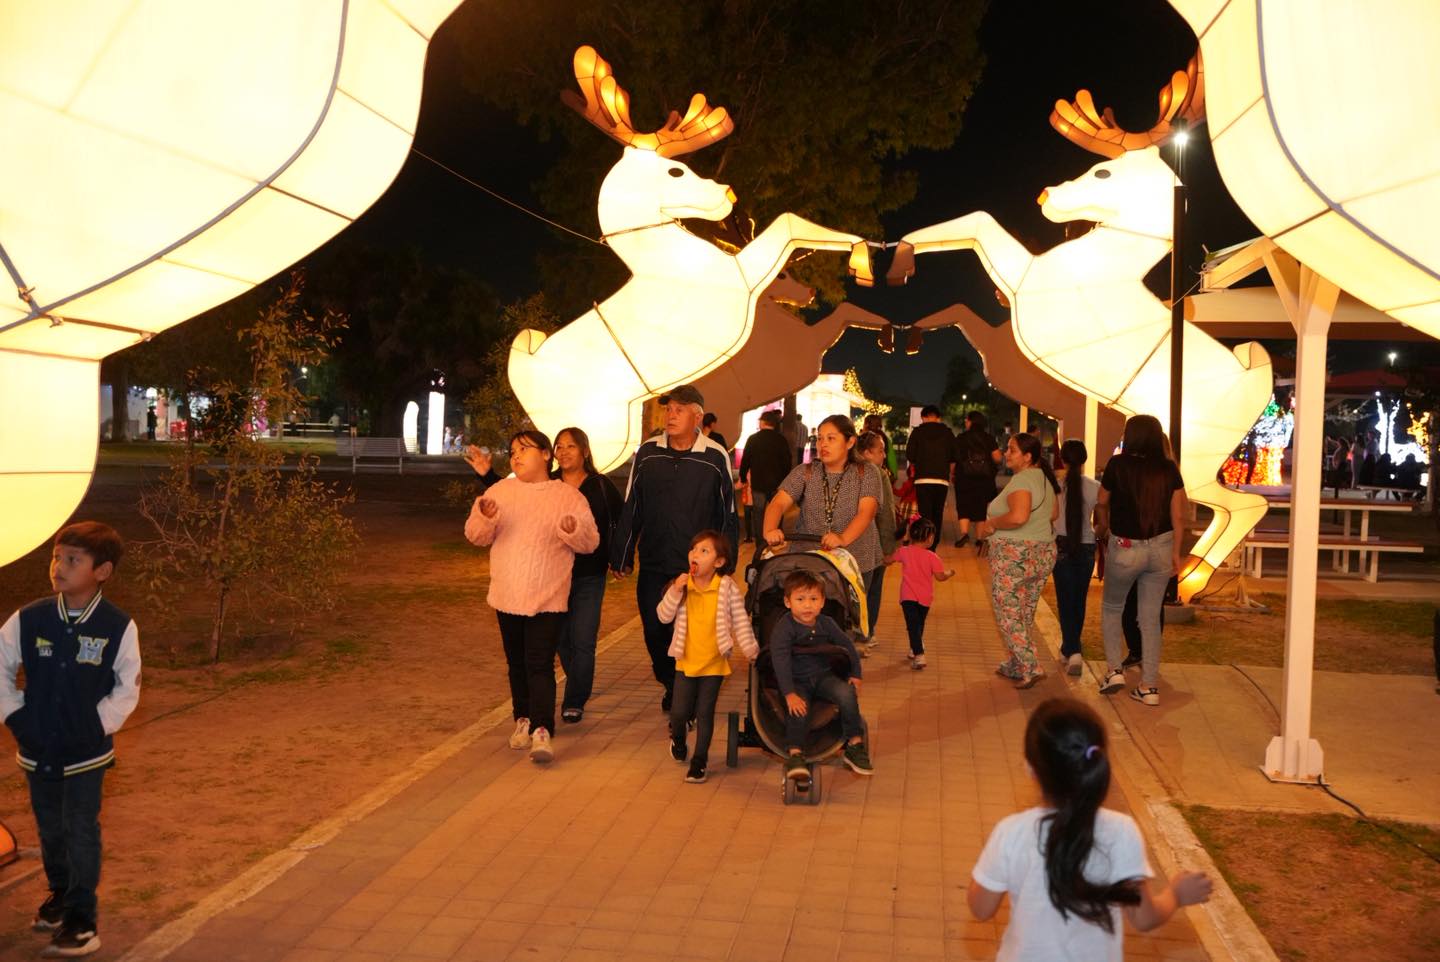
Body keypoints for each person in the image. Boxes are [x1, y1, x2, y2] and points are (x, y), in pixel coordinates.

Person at [969, 698, 1212, 961]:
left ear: (1030, 768)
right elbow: (1144, 918)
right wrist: (1175, 894)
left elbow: (981, 908)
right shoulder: (1122, 832)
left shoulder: (1011, 832)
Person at [1, 521, 141, 958]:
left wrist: (94, 726)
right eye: (57, 557)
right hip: (38, 750)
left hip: (86, 756)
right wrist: (18, 718)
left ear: (102, 571)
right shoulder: (30, 619)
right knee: (50, 830)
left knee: (80, 830)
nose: (59, 567)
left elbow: (127, 689)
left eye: (73, 560)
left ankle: (82, 919)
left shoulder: (118, 626)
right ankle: (61, 896)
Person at [466, 431, 599, 763]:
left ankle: (542, 729)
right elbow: (475, 536)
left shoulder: (567, 496)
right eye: (512, 451)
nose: (516, 456)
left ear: (545, 455)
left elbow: (590, 542)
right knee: (517, 664)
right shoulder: (500, 491)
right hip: (507, 593)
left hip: (547, 595)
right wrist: (485, 514)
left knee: (540, 663)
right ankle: (521, 719)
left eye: (524, 449)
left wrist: (572, 529)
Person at [612, 385, 738, 713]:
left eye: (679, 410)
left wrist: (726, 564)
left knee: (694, 634)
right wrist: (622, 555)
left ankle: (685, 692)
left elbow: (728, 513)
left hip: (698, 568)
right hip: (654, 561)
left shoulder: (713, 456)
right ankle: (670, 681)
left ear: (696, 416)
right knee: (655, 630)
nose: (671, 415)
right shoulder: (649, 453)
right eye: (668, 409)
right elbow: (633, 506)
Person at [1093, 415, 1187, 707]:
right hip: (1161, 547)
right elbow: (1179, 516)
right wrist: (1176, 552)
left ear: (1131, 436)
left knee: (1112, 607)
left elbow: (1101, 501)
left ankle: (1114, 671)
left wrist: (1104, 530)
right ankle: (1149, 687)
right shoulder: (1169, 469)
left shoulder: (1118, 465)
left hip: (1125, 546)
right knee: (1149, 618)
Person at [657, 530, 758, 784]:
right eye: (693, 550)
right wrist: (675, 591)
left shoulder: (727, 588)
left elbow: (741, 623)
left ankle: (699, 762)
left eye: (704, 551)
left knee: (705, 713)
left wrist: (751, 651)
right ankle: (678, 741)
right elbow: (663, 616)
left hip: (714, 663)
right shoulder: (682, 586)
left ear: (719, 562)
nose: (696, 554)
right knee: (678, 714)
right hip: (685, 662)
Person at [763, 415, 884, 614]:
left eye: (831, 438)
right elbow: (778, 502)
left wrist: (842, 538)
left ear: (850, 442)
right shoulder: (806, 472)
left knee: (849, 616)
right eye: (820, 438)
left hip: (857, 559)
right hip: (810, 559)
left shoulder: (866, 472)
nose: (823, 444)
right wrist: (770, 530)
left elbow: (866, 512)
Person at [974, 433, 1060, 689]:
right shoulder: (1044, 479)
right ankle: (1016, 663)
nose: (1006, 453)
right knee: (1023, 611)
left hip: (1016, 555)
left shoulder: (1022, 480)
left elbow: (1019, 516)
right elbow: (1053, 514)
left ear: (1027, 456)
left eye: (1012, 450)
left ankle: (1031, 665)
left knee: (1007, 613)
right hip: (1042, 552)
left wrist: (991, 525)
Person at [770, 570, 873, 777]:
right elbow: (780, 661)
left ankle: (854, 744)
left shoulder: (826, 623)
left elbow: (848, 647)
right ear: (788, 602)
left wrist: (856, 673)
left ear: (822, 602)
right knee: (799, 709)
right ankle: (795, 752)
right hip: (795, 679)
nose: (807, 605)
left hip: (823, 676)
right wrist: (789, 693)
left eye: (813, 599)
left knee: (846, 693)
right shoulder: (785, 628)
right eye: (800, 599)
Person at [552, 427, 623, 724]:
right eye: (559, 446)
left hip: (589, 575)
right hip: (552, 575)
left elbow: (619, 523)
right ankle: (578, 680)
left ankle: (575, 699)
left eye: (571, 446)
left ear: (585, 451)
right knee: (560, 639)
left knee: (583, 638)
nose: (564, 451)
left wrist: (620, 559)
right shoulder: (547, 485)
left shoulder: (600, 486)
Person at [1053, 440, 1101, 676]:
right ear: (1084, 459)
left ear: (1062, 459)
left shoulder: (1056, 486)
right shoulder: (1095, 487)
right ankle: (1070, 648)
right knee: (1078, 600)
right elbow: (1103, 522)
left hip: (1061, 546)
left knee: (1065, 600)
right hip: (1086, 547)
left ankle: (1073, 650)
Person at [892, 518, 955, 670]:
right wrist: (949, 573)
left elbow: (888, 560)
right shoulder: (933, 557)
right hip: (925, 598)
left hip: (907, 596)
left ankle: (916, 648)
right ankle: (919, 654)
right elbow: (940, 577)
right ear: (930, 538)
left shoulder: (904, 552)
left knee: (913, 625)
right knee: (918, 623)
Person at [856, 430, 898, 644]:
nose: (884, 456)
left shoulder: (847, 469)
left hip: (845, 542)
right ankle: (867, 631)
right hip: (871, 543)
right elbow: (886, 513)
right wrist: (889, 548)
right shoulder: (878, 474)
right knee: (872, 589)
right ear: (866, 452)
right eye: (880, 451)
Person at [738, 409, 793, 549]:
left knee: (759, 513)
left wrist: (743, 476)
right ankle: (776, 539)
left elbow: (745, 460)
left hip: (758, 483)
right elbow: (787, 462)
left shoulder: (753, 439)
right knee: (777, 510)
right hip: (777, 484)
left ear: (762, 422)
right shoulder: (781, 440)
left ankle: (760, 544)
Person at [906, 405, 955, 550]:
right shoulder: (947, 433)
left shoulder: (917, 432)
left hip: (922, 479)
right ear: (938, 417)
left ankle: (924, 543)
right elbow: (954, 456)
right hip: (941, 479)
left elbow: (910, 455)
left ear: (924, 417)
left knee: (925, 513)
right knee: (937, 513)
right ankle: (934, 544)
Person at [953, 410, 1002, 549]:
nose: (965, 423)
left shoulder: (961, 438)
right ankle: (979, 538)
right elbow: (997, 458)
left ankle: (964, 534)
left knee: (963, 505)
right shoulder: (989, 438)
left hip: (964, 477)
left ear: (970, 422)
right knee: (981, 507)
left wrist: (952, 474)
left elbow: (954, 458)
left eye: (967, 420)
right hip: (984, 479)